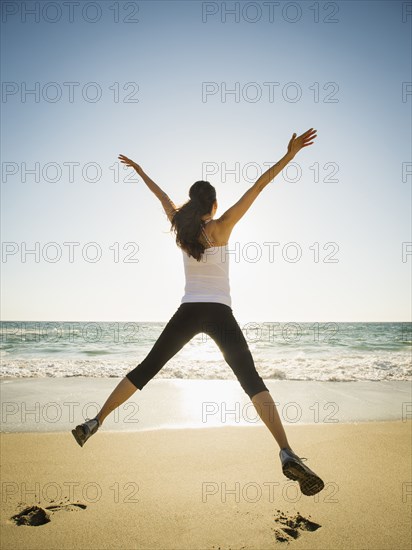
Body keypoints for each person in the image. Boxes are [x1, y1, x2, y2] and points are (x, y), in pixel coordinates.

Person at [72, 128, 324, 497]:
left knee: (146, 368)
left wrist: (140, 170)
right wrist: (290, 155)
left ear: (193, 203)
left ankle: (95, 421)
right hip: (220, 313)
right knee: (251, 381)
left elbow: (160, 196)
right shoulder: (222, 227)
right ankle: (286, 451)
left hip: (188, 310)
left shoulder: (180, 225)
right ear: (215, 204)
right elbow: (258, 185)